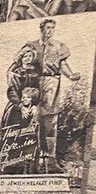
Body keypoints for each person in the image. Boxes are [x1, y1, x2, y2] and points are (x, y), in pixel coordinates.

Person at [22, 18, 82, 170]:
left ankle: (50, 161)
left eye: (52, 28)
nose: (50, 31)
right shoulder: (31, 45)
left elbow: (63, 64)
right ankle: (29, 161)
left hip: (51, 83)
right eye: (47, 27)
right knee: (31, 119)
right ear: (41, 28)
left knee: (50, 122)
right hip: (33, 83)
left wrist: (71, 75)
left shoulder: (59, 46)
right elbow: (20, 61)